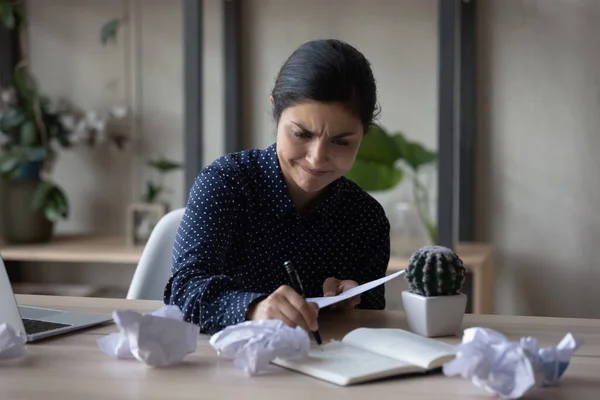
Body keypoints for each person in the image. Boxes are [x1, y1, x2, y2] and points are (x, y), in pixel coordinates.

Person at [163, 39, 390, 336]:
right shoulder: (226, 183)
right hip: (224, 368)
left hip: (327, 370)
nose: (316, 157)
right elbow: (182, 292)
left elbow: (371, 324)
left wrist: (346, 302)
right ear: (275, 110)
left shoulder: (365, 218)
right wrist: (254, 308)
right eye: (301, 133)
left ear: (364, 135)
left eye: (341, 141)